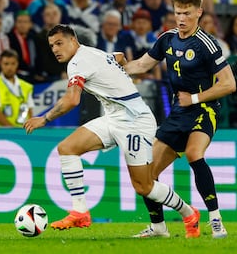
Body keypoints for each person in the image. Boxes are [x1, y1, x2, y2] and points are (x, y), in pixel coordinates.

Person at [23, 24, 201, 238]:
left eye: (59, 43)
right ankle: (80, 211)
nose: (55, 49)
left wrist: (45, 118)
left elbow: (72, 99)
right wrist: (117, 64)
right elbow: (117, 57)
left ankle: (189, 213)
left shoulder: (78, 61)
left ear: (73, 41)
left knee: (144, 186)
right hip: (115, 117)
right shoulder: (93, 52)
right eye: (52, 45)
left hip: (135, 121)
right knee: (67, 148)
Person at [124, 0, 236, 238]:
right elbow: (142, 64)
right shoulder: (167, 39)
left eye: (187, 13)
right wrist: (115, 67)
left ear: (199, 12)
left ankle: (216, 220)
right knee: (146, 175)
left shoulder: (207, 44)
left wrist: (195, 98)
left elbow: (229, 84)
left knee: (195, 154)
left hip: (204, 109)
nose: (181, 18)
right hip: (177, 112)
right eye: (177, 13)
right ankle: (158, 227)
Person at [0, 49, 34, 127]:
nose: (9, 67)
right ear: (0, 64)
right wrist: (12, 130)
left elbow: (30, 112)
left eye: (13, 64)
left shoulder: (26, 86)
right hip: (0, 132)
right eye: (6, 64)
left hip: (21, 133)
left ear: (17, 64)